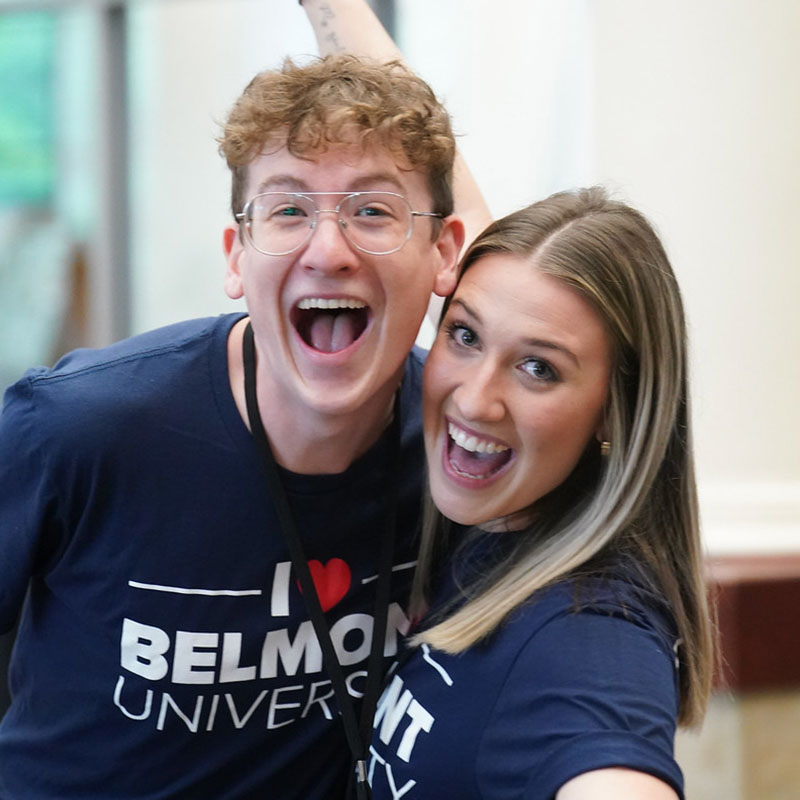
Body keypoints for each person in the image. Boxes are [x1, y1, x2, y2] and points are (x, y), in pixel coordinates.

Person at [0, 40, 491, 800]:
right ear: (238, 255)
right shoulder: (76, 428)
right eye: (288, 209)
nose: (328, 249)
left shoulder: (465, 452)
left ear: (443, 254)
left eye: (373, 210)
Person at [367, 187, 714, 799]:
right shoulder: (502, 523)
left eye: (538, 369)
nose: (474, 399)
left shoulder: (593, 631)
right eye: (465, 336)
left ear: (614, 413)